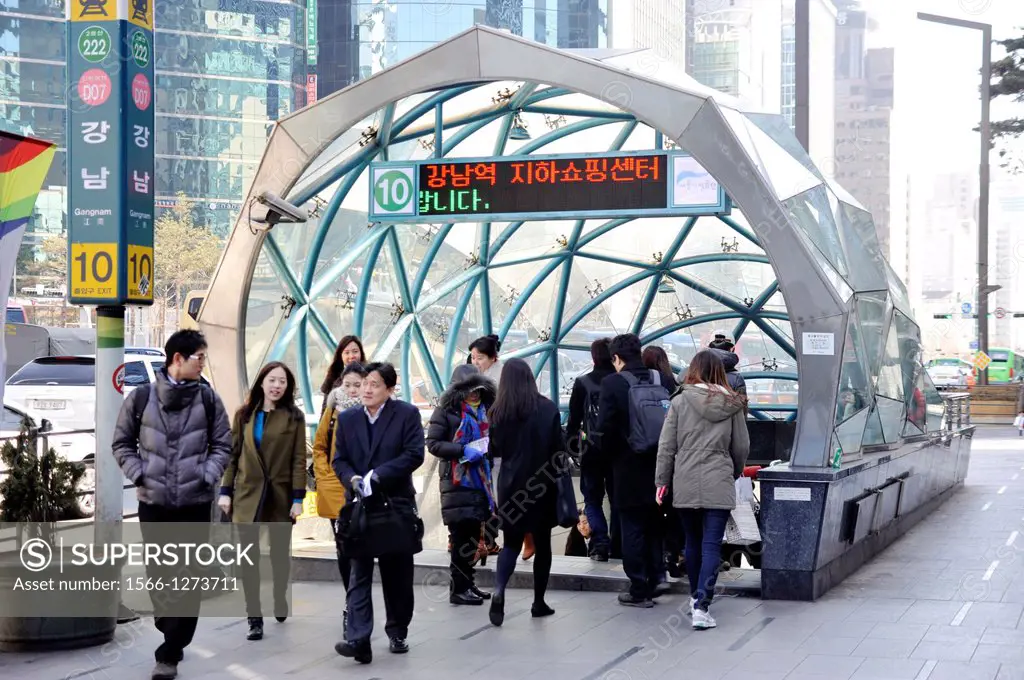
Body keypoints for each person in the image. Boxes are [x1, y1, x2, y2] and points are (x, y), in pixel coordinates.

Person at [112, 330, 232, 680]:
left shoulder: (209, 400)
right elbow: (121, 443)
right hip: (155, 503)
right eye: (199, 357)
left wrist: (206, 474)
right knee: (161, 576)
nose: (203, 363)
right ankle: (170, 626)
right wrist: (140, 474)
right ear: (177, 359)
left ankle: (171, 651)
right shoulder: (142, 398)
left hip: (194, 504)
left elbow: (223, 445)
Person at [332, 363, 424, 664]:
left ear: (390, 388)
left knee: (397, 572)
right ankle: (359, 639)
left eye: (374, 384)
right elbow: (339, 460)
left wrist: (377, 476)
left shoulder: (406, 415)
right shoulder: (347, 419)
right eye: (364, 384)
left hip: (394, 504)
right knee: (358, 572)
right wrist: (354, 480)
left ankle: (397, 630)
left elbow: (414, 454)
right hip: (359, 508)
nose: (367, 390)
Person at [656, 350, 749, 631]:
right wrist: (730, 472)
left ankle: (695, 599)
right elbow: (742, 447)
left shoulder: (680, 401)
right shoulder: (731, 403)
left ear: (692, 371)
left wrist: (662, 481)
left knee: (691, 543)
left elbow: (666, 446)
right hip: (718, 478)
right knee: (711, 545)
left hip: (684, 478)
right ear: (720, 372)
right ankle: (702, 606)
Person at [218, 361, 307, 642]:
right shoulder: (244, 415)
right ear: (261, 383)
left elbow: (298, 460)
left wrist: (298, 498)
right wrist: (225, 491)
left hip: (280, 496)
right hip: (247, 495)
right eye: (272, 380)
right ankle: (254, 617)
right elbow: (233, 456)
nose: (277, 386)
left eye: (282, 381)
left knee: (280, 556)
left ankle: (279, 595)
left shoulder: (294, 417)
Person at [597, 333, 675, 608]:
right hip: (662, 466)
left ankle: (639, 588)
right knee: (655, 522)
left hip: (627, 467)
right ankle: (658, 576)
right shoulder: (662, 379)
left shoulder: (613, 383)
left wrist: (607, 458)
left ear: (616, 358)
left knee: (631, 525)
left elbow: (604, 429)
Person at [487, 358, 563, 627]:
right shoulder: (548, 408)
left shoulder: (498, 412)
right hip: (541, 486)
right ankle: (538, 602)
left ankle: (499, 589)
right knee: (542, 545)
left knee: (510, 543)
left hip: (510, 486)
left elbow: (494, 450)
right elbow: (559, 450)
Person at [426, 364, 496, 605]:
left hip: (479, 480)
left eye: (477, 390)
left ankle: (468, 583)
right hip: (456, 481)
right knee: (459, 537)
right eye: (469, 390)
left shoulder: (485, 411)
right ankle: (458, 589)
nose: (474, 395)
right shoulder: (445, 411)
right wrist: (461, 450)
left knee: (473, 537)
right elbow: (433, 444)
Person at [311, 362, 367, 639]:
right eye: (349, 385)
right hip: (336, 489)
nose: (353, 390)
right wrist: (325, 474)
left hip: (366, 491)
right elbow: (319, 445)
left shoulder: (372, 412)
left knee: (361, 549)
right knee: (344, 549)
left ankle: (357, 603)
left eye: (358, 384)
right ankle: (351, 603)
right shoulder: (333, 411)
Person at [566, 337, 617, 562]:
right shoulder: (622, 381)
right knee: (618, 501)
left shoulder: (583, 382)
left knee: (592, 500)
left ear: (593, 357)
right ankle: (621, 545)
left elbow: (573, 421)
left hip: (591, 451)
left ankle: (600, 544)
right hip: (618, 452)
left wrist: (574, 448)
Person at [320, 335, 367, 413]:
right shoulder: (333, 376)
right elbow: (326, 409)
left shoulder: (371, 375)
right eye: (347, 353)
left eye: (355, 351)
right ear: (340, 355)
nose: (351, 356)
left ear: (361, 353)